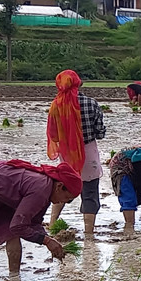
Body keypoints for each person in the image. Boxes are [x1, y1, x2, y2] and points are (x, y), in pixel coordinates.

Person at [48, 70, 104, 236]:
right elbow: (100, 132)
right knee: (90, 192)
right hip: (88, 154)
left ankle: (52, 225)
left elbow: (53, 135)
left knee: (63, 189)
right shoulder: (91, 103)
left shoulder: (56, 106)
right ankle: (88, 233)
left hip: (67, 156)